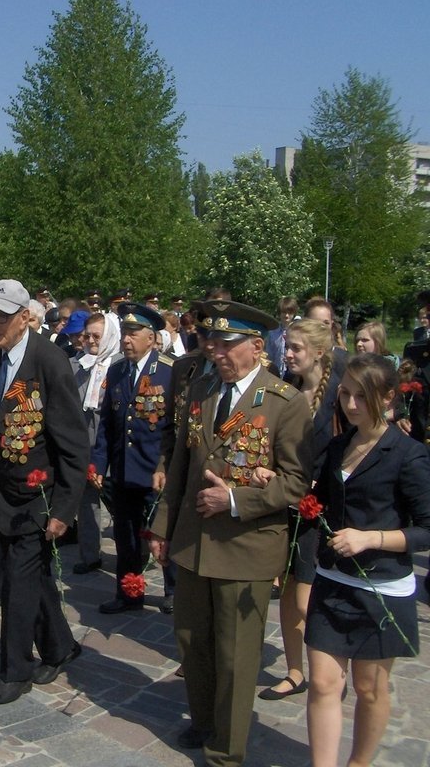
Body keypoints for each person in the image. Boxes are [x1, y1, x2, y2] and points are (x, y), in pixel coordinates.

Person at [149, 299, 313, 766]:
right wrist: (161, 527)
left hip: (246, 549)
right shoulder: (200, 391)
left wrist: (237, 500)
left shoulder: (285, 402)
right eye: (208, 341)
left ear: (257, 347)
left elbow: (297, 481)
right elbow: (181, 465)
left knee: (237, 656)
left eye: (225, 343)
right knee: (191, 641)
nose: (214, 351)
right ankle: (203, 721)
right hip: (193, 543)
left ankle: (225, 750)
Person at [0, 279, 89, 705]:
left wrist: (64, 508)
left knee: (17, 582)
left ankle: (14, 671)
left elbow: (73, 443)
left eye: (1, 317)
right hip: (0, 490)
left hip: (36, 494)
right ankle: (60, 647)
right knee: (34, 576)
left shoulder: (50, 362)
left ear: (25, 317)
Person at [305, 354, 430, 767]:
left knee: (370, 687)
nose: (351, 404)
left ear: (388, 397)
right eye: (345, 394)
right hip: (331, 578)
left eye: (362, 396)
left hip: (381, 588)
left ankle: (359, 763)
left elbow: (426, 529)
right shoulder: (339, 444)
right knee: (323, 683)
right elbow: (322, 502)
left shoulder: (407, 454)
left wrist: (371, 538)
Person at [258, 319, 342, 701]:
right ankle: (295, 672)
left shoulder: (340, 395)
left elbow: (349, 453)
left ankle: (328, 670)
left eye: (296, 348)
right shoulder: (285, 392)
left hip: (321, 511)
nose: (287, 354)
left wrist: (316, 485)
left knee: (310, 595)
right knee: (290, 591)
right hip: (284, 505)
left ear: (320, 352)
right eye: (286, 346)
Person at [91, 303, 176, 614]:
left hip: (155, 470)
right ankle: (130, 592)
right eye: (124, 333)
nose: (126, 340)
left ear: (151, 338)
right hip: (124, 468)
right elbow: (109, 424)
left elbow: (174, 427)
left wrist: (166, 466)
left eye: (134, 333)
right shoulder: (117, 370)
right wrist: (98, 463)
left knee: (163, 533)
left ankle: (173, 591)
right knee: (126, 537)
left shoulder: (169, 371)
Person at [72, 311, 120, 574]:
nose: (90, 340)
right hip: (82, 444)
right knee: (87, 503)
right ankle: (89, 555)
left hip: (110, 446)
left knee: (117, 503)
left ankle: (132, 554)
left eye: (96, 336)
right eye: (86, 335)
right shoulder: (78, 366)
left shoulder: (120, 366)